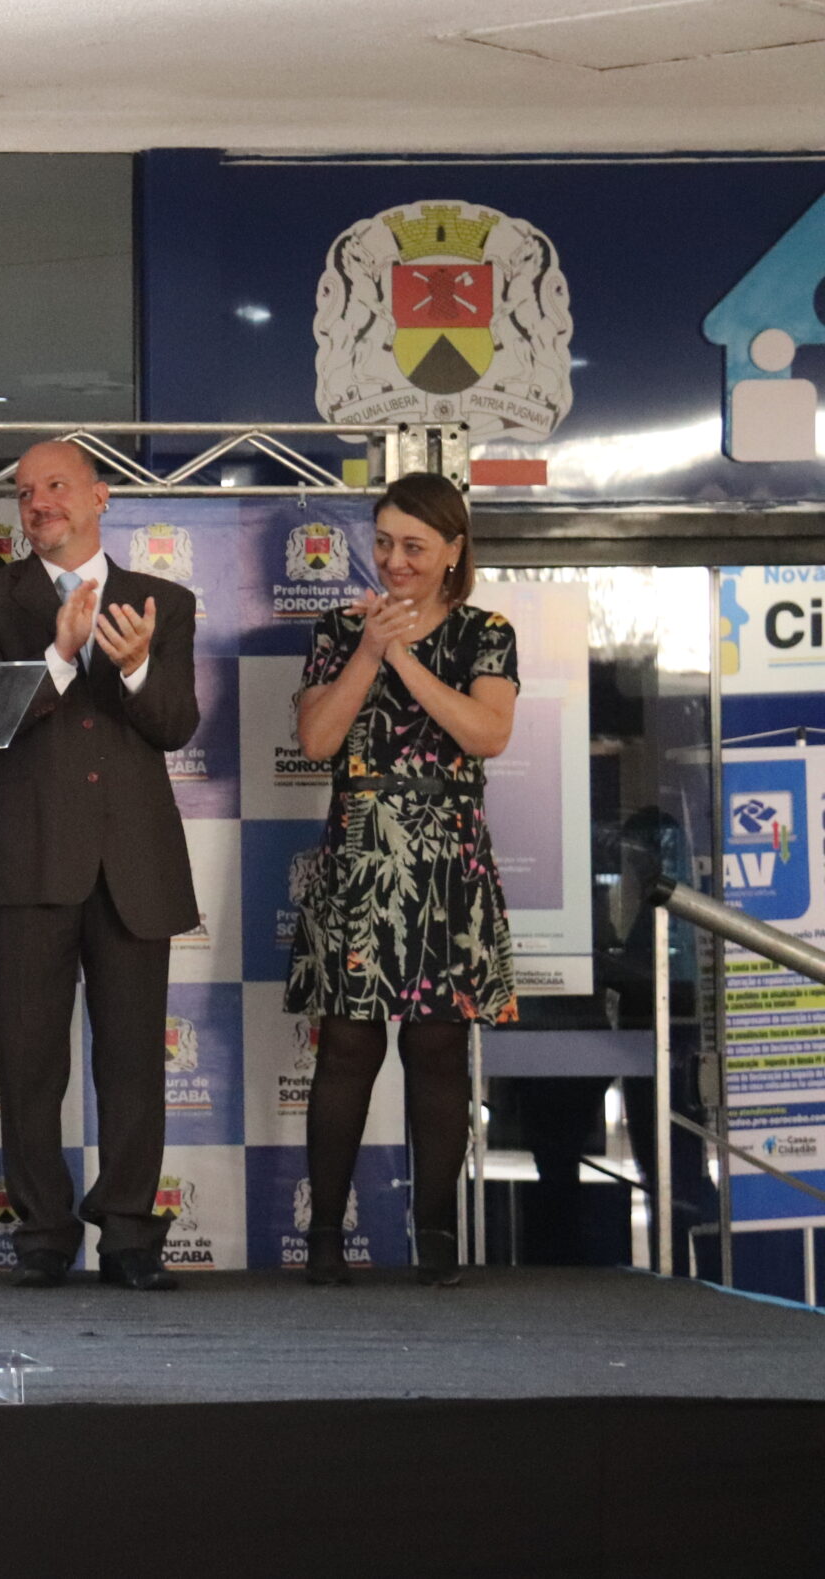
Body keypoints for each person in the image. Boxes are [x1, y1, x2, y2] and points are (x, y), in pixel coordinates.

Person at [0, 439, 200, 1293]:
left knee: (133, 1063)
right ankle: (43, 1235)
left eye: (56, 485)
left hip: (134, 867)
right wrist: (59, 657)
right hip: (25, 864)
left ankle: (130, 1234)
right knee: (28, 1066)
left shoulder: (165, 602)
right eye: (25, 492)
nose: (39, 503)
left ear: (101, 496)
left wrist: (133, 666)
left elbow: (176, 724)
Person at [289, 472, 518, 1289]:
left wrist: (403, 657)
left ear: (454, 549)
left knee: (437, 1044)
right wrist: (367, 650)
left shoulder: (487, 633)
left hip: (448, 859)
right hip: (360, 853)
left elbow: (486, 732)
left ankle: (437, 1235)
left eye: (414, 546)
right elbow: (318, 740)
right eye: (384, 542)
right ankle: (324, 1235)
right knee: (348, 1043)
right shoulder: (337, 628)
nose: (394, 560)